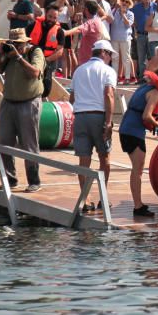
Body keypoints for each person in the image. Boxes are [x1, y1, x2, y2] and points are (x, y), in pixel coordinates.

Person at [119, 65, 158, 217]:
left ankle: (138, 204)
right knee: (137, 169)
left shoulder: (145, 86)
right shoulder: (156, 92)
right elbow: (146, 116)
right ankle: (138, 206)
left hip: (126, 128)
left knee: (137, 168)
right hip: (133, 131)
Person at [0, 28, 45, 192]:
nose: (16, 46)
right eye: (13, 43)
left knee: (29, 143)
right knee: (4, 142)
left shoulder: (35, 52)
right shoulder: (8, 55)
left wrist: (19, 57)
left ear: (26, 42)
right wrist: (1, 54)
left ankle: (34, 181)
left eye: (19, 44)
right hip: (8, 102)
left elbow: (35, 72)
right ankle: (10, 180)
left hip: (29, 102)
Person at [70, 40, 117, 207]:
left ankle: (85, 199)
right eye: (110, 54)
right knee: (104, 157)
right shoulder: (108, 71)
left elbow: (72, 98)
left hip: (80, 117)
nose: (110, 58)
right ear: (103, 52)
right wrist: (109, 122)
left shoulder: (78, 71)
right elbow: (109, 95)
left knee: (84, 160)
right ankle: (103, 199)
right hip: (99, 116)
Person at [28, 5, 65, 99]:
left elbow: (60, 51)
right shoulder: (33, 25)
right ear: (45, 14)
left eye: (54, 18)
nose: (51, 19)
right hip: (32, 60)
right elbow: (24, 41)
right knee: (31, 84)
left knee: (46, 87)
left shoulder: (59, 31)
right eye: (50, 16)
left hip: (49, 61)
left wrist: (46, 60)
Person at [64, 0, 108, 69]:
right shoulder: (97, 20)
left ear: (86, 9)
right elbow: (105, 15)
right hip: (93, 59)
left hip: (88, 61)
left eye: (84, 8)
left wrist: (65, 32)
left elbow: (79, 29)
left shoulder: (90, 22)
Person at [109, 0, 135, 84]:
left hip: (125, 38)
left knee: (126, 58)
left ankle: (127, 77)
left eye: (127, 2)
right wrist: (116, 9)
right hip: (114, 38)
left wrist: (123, 15)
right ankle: (114, 78)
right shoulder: (114, 11)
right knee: (114, 58)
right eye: (123, 1)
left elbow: (128, 24)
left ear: (129, 4)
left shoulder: (130, 14)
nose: (124, 3)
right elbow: (109, 19)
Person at [131, 0, 155, 81]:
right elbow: (128, 13)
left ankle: (151, 78)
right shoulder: (136, 7)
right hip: (140, 35)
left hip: (152, 35)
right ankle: (142, 78)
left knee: (152, 58)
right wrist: (133, 23)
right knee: (141, 58)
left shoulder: (156, 6)